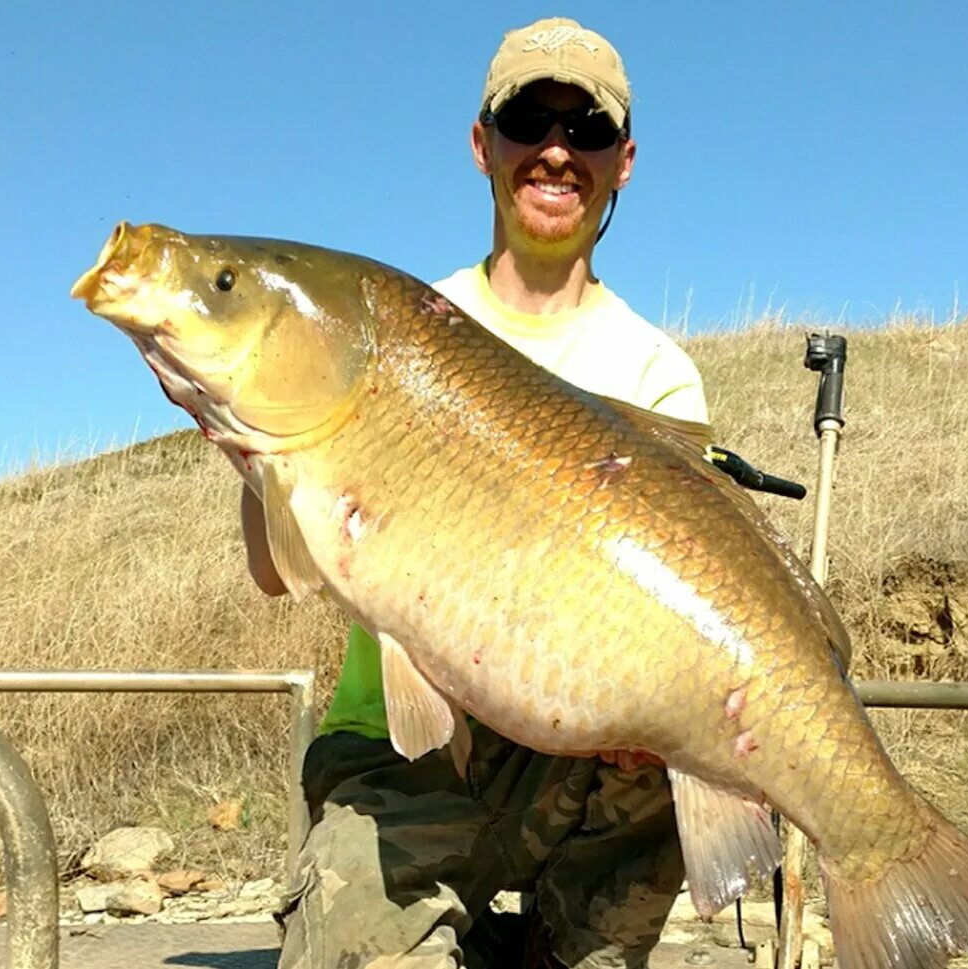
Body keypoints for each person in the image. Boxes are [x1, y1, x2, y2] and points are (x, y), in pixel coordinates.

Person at [242, 16, 709, 969]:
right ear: (481, 144)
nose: (554, 150)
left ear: (623, 162)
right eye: (528, 118)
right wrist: (257, 445)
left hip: (572, 756)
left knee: (679, 754)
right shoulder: (385, 330)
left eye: (584, 131)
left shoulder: (659, 375)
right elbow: (271, 570)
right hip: (397, 750)